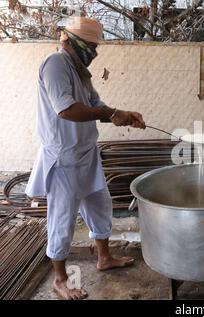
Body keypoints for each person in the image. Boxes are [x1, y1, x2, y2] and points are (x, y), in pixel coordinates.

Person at [25, 17, 146, 300]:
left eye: (95, 47)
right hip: (64, 157)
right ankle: (59, 279)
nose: (94, 52)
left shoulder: (79, 71)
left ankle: (104, 258)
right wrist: (108, 114)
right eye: (90, 46)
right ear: (70, 41)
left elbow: (94, 105)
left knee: (100, 206)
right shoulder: (55, 64)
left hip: (86, 153)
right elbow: (66, 110)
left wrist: (121, 114)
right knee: (62, 219)